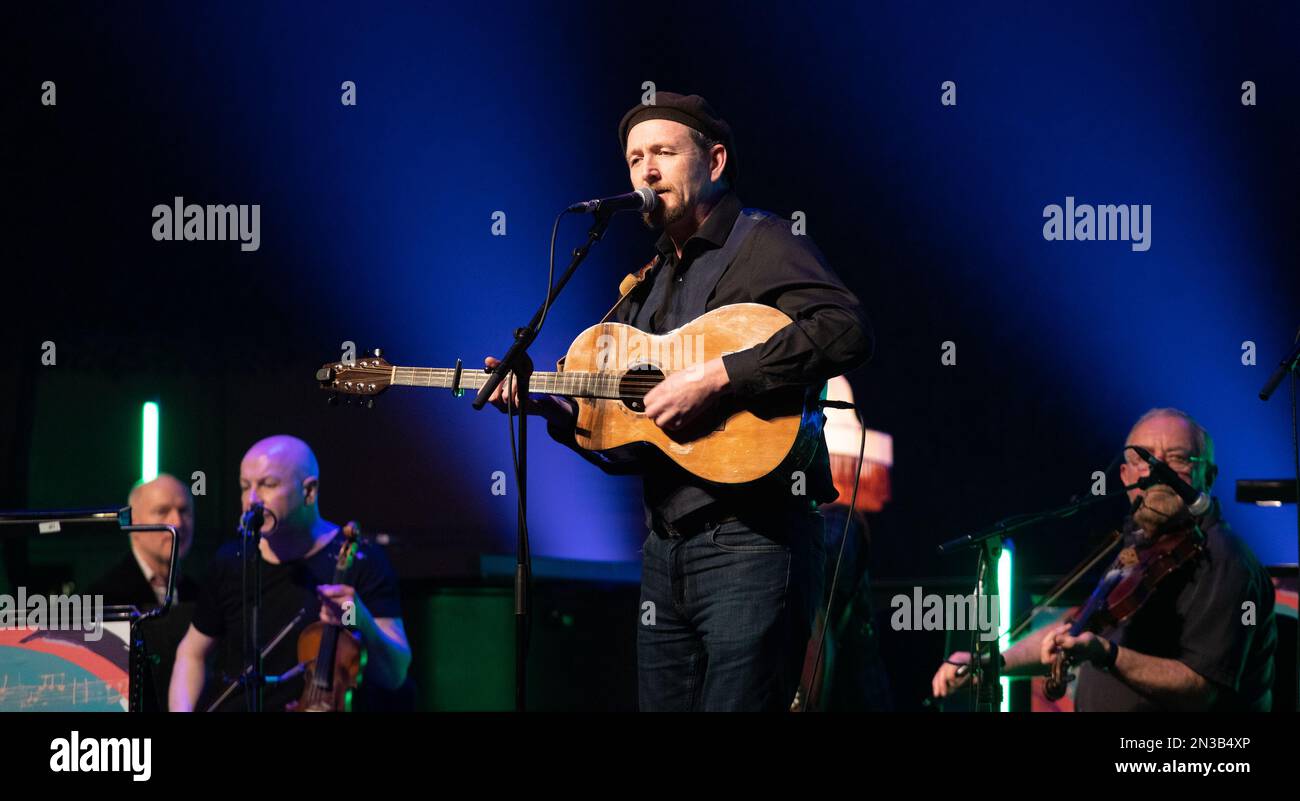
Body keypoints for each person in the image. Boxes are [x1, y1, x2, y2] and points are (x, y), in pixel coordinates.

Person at [486, 92, 872, 711]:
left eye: (663, 151)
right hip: (664, 551)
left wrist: (723, 375)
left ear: (714, 161)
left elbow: (846, 328)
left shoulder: (761, 242)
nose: (647, 170)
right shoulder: (646, 284)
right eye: (636, 157)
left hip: (755, 541)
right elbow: (638, 439)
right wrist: (553, 414)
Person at [932, 408, 1277, 711]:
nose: (1159, 472)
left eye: (1177, 459)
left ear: (1209, 477)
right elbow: (1078, 632)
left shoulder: (1224, 559)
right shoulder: (1139, 548)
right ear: (1126, 477)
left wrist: (1106, 654)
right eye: (1145, 459)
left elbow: (1202, 691)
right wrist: (991, 663)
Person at [168, 435, 411, 711]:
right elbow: (191, 654)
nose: (252, 500)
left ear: (309, 491)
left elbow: (395, 674)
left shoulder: (361, 561)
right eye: (245, 487)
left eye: (268, 485)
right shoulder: (231, 561)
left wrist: (357, 617)